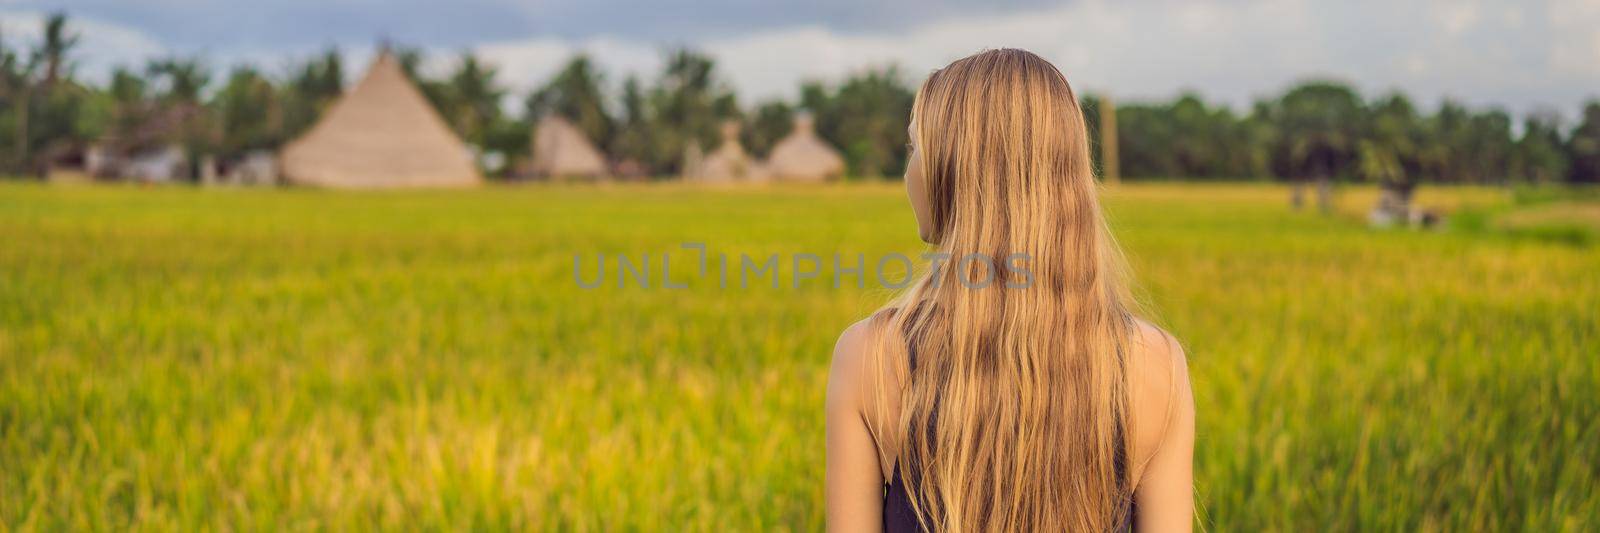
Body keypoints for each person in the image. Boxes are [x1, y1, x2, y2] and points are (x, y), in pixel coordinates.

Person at [825, 49, 1195, 532]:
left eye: (916, 148)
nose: (908, 173)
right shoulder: (1154, 365)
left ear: (953, 170)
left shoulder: (870, 358)